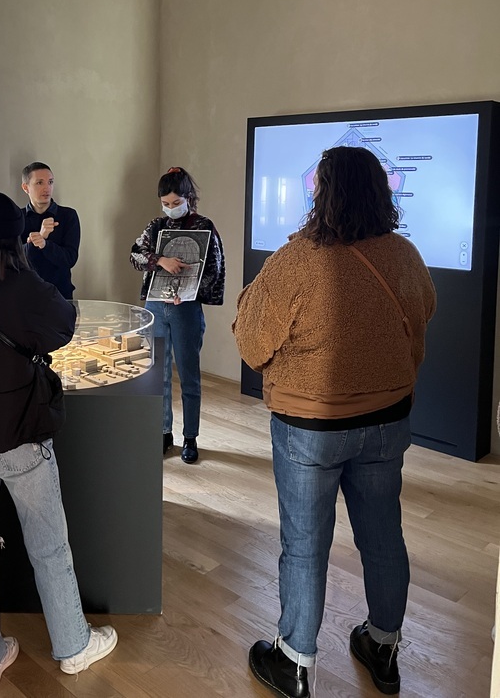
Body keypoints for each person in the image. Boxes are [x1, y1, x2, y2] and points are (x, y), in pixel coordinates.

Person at [233, 146, 436, 698]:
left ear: (322, 191)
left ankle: (294, 662)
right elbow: (423, 316)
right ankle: (383, 647)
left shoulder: (297, 260)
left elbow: (251, 345)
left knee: (304, 545)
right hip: (388, 420)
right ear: (379, 191)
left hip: (310, 427)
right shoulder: (404, 254)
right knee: (384, 537)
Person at [0, 191, 117, 692]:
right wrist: (27, 266)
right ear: (13, 237)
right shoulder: (22, 288)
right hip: (17, 437)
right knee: (48, 545)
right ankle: (73, 645)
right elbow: (64, 324)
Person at [130, 167, 225, 463]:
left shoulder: (204, 226)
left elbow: (215, 269)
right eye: (166, 203)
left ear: (188, 198)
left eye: (175, 202)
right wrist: (161, 261)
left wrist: (190, 292)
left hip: (186, 308)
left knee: (189, 375)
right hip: (156, 305)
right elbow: (135, 254)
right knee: (156, 373)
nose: (170, 209)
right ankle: (163, 432)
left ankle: (190, 437)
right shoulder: (156, 225)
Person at [21, 161, 80, 299]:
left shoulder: (68, 216)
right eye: (39, 183)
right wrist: (36, 241)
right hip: (25, 294)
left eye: (50, 182)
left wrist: (45, 244)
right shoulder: (18, 217)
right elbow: (14, 259)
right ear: (26, 187)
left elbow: (70, 259)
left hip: (60, 294)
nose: (47, 188)